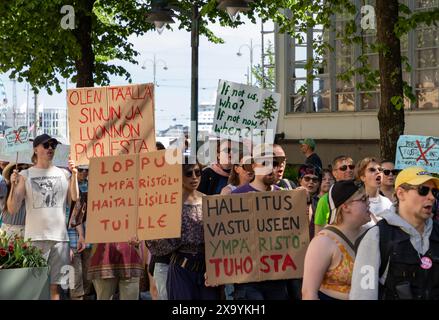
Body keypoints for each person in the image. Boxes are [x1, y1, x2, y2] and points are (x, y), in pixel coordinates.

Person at [7, 134, 79, 300]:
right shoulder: (25, 174)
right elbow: (12, 208)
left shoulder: (64, 173)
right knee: (35, 288)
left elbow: (74, 199)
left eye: (53, 145)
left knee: (56, 289)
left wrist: (74, 174)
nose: (50, 148)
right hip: (34, 238)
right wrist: (13, 185)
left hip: (60, 239)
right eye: (46, 145)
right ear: (36, 149)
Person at [350, 166, 439, 300]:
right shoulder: (377, 236)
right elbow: (363, 295)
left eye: (435, 192)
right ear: (401, 193)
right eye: (423, 190)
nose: (431, 197)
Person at [231, 152, 290, 300]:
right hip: (247, 279)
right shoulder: (237, 196)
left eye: (274, 164)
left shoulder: (284, 197)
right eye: (265, 164)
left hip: (277, 278)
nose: (271, 168)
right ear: (254, 166)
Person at [302, 180, 371, 300]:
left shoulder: (371, 235)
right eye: (363, 199)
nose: (369, 203)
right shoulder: (323, 242)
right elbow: (309, 293)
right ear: (345, 207)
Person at [166, 158, 221, 300]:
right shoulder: (170, 203)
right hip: (181, 269)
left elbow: (218, 237)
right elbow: (157, 239)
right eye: (189, 173)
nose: (195, 177)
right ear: (179, 175)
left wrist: (213, 267)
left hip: (206, 269)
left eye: (198, 172)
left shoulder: (209, 201)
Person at [68, 166, 94, 300]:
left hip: (90, 238)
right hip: (71, 237)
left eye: (87, 169)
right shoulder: (67, 185)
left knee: (87, 279)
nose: (84, 172)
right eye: (81, 169)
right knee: (75, 282)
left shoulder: (94, 186)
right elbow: (65, 214)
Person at [314, 155, 355, 234]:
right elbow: (318, 232)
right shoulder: (325, 200)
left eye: (351, 167)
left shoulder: (360, 194)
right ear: (334, 173)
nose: (349, 170)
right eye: (343, 168)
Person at [355, 157, 392, 225]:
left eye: (380, 169)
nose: (378, 172)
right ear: (363, 177)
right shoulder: (356, 204)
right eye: (372, 170)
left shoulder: (388, 202)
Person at [0, 163, 31, 238]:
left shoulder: (32, 191)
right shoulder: (5, 187)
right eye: (18, 172)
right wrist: (13, 185)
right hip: (7, 231)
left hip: (27, 231)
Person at [297, 164, 321, 240]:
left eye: (315, 180)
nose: (311, 182)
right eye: (307, 179)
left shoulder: (322, 202)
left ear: (319, 184)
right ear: (300, 180)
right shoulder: (290, 199)